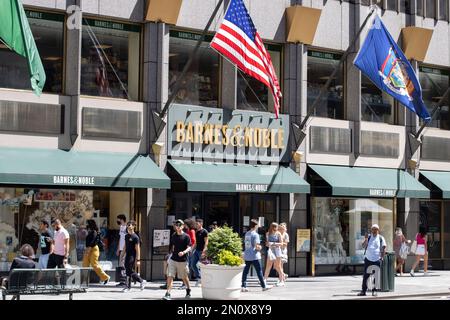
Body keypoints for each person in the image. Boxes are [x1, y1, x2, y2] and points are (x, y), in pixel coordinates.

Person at [162, 219, 192, 300]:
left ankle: (188, 289)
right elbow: (171, 246)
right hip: (173, 259)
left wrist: (183, 252)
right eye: (176, 225)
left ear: (182, 226)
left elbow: (189, 247)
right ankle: (168, 293)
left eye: (179, 225)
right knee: (170, 276)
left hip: (182, 260)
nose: (178, 227)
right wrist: (169, 254)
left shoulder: (186, 236)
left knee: (184, 277)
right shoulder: (174, 235)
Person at [241, 219, 272, 292]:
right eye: (257, 225)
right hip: (255, 256)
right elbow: (257, 246)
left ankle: (243, 286)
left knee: (245, 271)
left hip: (247, 255)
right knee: (259, 271)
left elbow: (247, 245)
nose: (258, 226)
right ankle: (264, 286)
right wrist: (260, 247)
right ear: (255, 226)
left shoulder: (247, 233)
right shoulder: (255, 234)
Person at [357, 224, 386, 296]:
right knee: (366, 276)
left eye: (376, 229)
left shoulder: (381, 238)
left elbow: (384, 247)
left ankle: (374, 290)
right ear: (371, 230)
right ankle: (363, 291)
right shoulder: (369, 237)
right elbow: (363, 246)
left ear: (378, 230)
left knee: (376, 276)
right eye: (373, 229)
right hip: (368, 259)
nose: (374, 230)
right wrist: (366, 239)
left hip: (377, 259)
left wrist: (382, 257)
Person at [83, 220, 110, 284]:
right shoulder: (89, 232)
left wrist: (88, 250)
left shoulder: (94, 232)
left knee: (94, 264)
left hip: (93, 249)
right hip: (87, 249)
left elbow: (92, 242)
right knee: (85, 265)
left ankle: (105, 277)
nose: (85, 225)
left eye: (87, 224)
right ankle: (85, 280)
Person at [122, 220, 146, 292]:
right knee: (128, 270)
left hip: (132, 255)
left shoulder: (135, 237)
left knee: (129, 270)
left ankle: (128, 286)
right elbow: (125, 246)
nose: (129, 226)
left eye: (131, 224)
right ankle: (141, 281)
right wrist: (122, 255)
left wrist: (138, 260)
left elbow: (137, 249)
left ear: (134, 226)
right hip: (127, 255)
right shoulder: (126, 236)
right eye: (128, 224)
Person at [191, 218, 208, 286]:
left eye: (197, 223)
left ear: (201, 224)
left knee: (203, 266)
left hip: (202, 251)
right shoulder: (197, 232)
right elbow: (196, 243)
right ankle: (199, 277)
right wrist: (192, 250)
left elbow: (206, 242)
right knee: (193, 265)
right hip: (197, 250)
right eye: (196, 224)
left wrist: (204, 251)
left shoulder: (205, 231)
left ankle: (203, 279)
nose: (196, 225)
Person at [116, 214, 127, 287]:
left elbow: (126, 239)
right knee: (121, 264)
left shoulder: (126, 227)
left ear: (121, 219)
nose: (117, 221)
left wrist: (124, 249)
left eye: (118, 219)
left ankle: (124, 280)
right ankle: (122, 280)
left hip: (125, 249)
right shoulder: (121, 227)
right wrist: (118, 249)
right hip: (121, 249)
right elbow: (120, 238)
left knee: (123, 265)